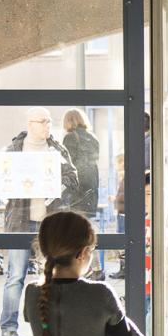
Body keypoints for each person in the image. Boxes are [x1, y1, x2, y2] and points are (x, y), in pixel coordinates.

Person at [0, 107, 80, 336]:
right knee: (15, 275)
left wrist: (56, 189)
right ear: (30, 123)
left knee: (53, 274)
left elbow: (73, 179)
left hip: (48, 222)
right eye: (42, 122)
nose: (48, 126)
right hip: (19, 222)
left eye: (49, 121)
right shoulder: (14, 150)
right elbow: (2, 179)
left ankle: (52, 327)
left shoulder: (56, 148)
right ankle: (9, 328)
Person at [61, 108, 103, 280]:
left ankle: (86, 268)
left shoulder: (70, 138)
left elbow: (68, 165)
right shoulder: (93, 138)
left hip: (77, 190)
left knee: (76, 231)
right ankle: (97, 267)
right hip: (91, 189)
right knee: (89, 229)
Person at [109, 152, 125, 280]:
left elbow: (124, 196)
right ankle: (123, 268)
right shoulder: (122, 177)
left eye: (117, 163)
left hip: (124, 214)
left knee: (122, 241)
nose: (116, 166)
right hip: (121, 212)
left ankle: (124, 268)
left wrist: (116, 199)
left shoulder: (125, 177)